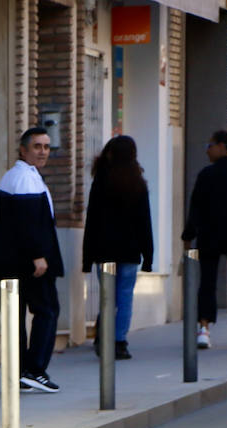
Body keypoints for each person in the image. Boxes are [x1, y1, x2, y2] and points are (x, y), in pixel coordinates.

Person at [0, 127, 65, 392]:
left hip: (11, 262)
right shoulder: (23, 178)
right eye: (37, 146)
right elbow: (28, 222)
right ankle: (35, 370)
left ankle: (20, 373)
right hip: (27, 264)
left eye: (46, 146)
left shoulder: (20, 176)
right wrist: (38, 256)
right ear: (23, 150)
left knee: (16, 319)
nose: (43, 151)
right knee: (47, 310)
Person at [81, 135, 153, 359]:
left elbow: (91, 221)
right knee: (125, 298)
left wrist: (87, 257)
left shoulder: (101, 181)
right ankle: (119, 341)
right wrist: (148, 256)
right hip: (130, 251)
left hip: (104, 251)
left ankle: (103, 338)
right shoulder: (137, 182)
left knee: (107, 297)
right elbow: (145, 222)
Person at [182, 130, 227, 349]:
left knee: (207, 282)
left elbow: (196, 207)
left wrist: (188, 236)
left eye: (210, 145)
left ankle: (203, 327)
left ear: (222, 146)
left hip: (209, 236)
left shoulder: (207, 175)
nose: (207, 149)